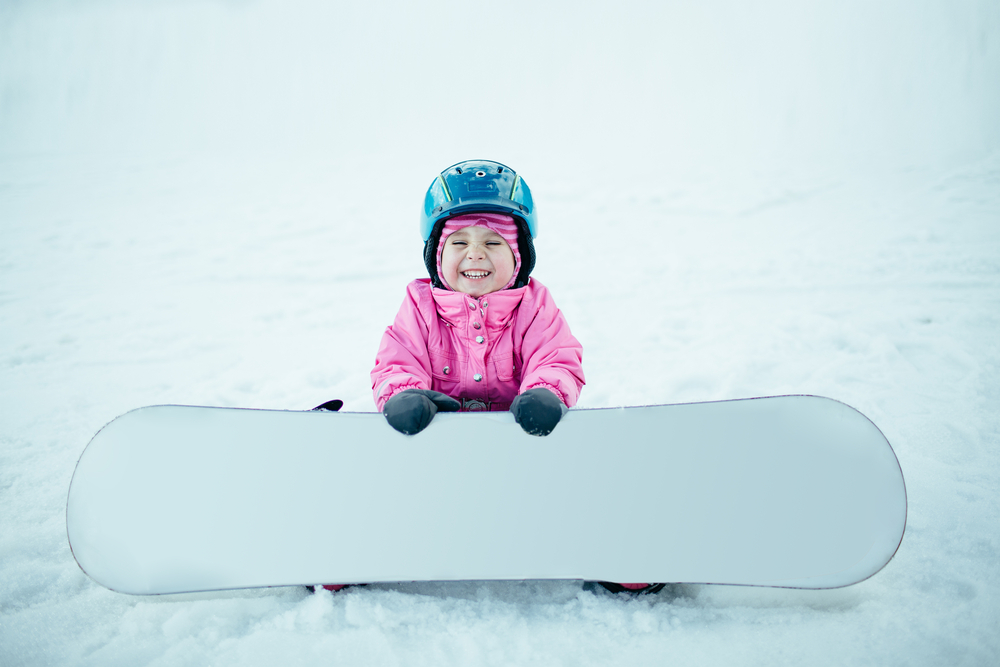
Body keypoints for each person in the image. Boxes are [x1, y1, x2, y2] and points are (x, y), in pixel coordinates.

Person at [370, 159, 584, 437]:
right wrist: (403, 395)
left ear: (519, 257)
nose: (475, 254)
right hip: (438, 444)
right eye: (459, 242)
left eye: (493, 242)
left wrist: (546, 393)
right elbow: (398, 360)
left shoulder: (534, 307)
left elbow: (555, 358)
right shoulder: (420, 308)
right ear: (436, 255)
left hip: (518, 443)